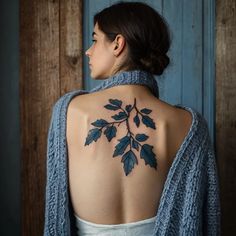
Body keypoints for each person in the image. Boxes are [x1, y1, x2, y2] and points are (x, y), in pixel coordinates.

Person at [43, 1, 220, 236]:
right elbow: (206, 221)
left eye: (95, 39)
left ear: (118, 44)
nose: (88, 50)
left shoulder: (71, 112)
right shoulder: (187, 125)